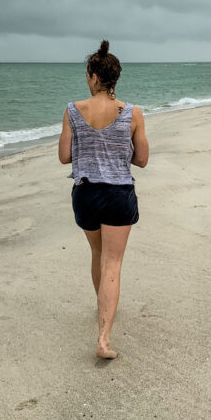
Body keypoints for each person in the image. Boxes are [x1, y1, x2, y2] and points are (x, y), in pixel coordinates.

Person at [58, 40, 149, 359]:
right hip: (117, 193)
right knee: (113, 262)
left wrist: (91, 149)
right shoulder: (133, 112)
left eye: (88, 74)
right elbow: (142, 160)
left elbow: (64, 156)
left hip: (85, 193)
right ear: (114, 80)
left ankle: (104, 308)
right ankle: (104, 340)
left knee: (98, 254)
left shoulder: (72, 110)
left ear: (94, 77)